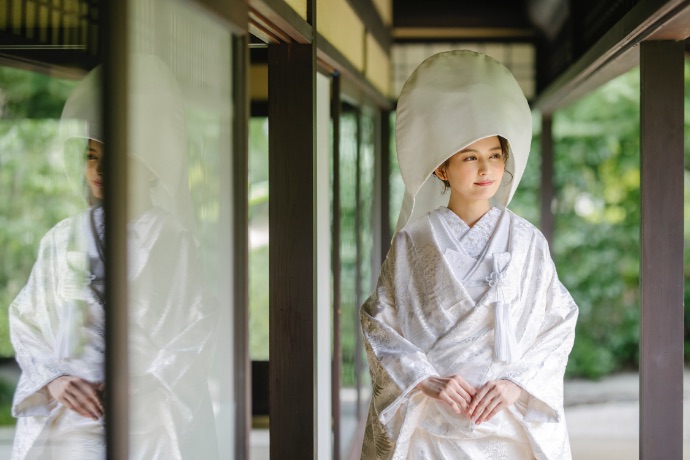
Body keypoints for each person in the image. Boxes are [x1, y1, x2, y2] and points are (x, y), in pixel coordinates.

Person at [360, 50, 578, 459]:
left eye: (495, 156)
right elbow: (379, 322)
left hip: (508, 420)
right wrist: (425, 379)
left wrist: (517, 383)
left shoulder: (527, 241)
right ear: (442, 169)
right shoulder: (412, 241)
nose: (486, 170)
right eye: (470, 157)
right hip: (433, 419)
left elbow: (559, 320)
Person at [10, 56, 219, 460]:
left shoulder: (172, 240)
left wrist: (146, 382)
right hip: (70, 414)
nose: (98, 168)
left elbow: (199, 325)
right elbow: (27, 319)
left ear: (152, 168)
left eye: (116, 156)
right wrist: (54, 380)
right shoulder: (60, 238)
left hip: (144, 415)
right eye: (90, 155)